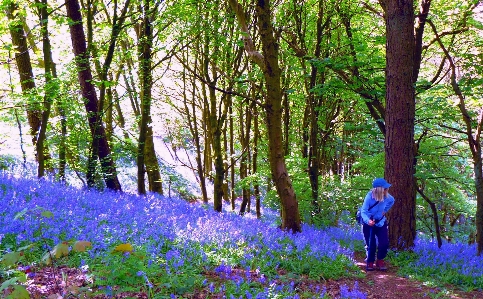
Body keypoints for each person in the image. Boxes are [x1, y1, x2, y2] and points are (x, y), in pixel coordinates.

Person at [361, 177, 395, 271]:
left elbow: (392, 201)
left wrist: (384, 211)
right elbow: (363, 211)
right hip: (368, 223)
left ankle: (380, 260)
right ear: (380, 190)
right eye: (385, 188)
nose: (387, 189)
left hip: (381, 222)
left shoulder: (388, 197)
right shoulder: (369, 196)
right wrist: (368, 221)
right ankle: (370, 262)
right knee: (370, 244)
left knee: (384, 243)